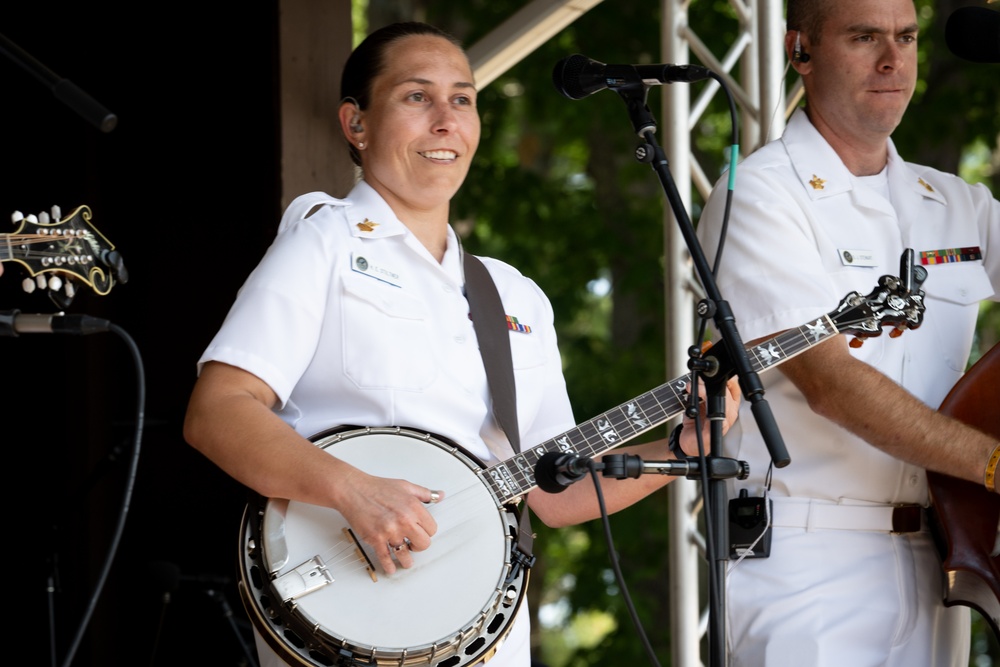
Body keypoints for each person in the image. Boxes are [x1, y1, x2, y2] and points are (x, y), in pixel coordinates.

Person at [183, 21, 739, 667]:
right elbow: (218, 408)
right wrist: (350, 489)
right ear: (356, 124)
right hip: (344, 613)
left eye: (463, 98)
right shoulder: (324, 243)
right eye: (417, 97)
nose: (447, 119)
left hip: (485, 633)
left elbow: (552, 492)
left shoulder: (515, 295)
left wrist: (680, 445)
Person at [694, 0, 1000, 665]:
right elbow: (831, 383)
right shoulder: (760, 191)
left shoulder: (959, 202)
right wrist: (994, 462)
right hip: (809, 560)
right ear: (800, 50)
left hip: (943, 558)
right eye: (865, 37)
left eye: (907, 37)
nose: (893, 59)